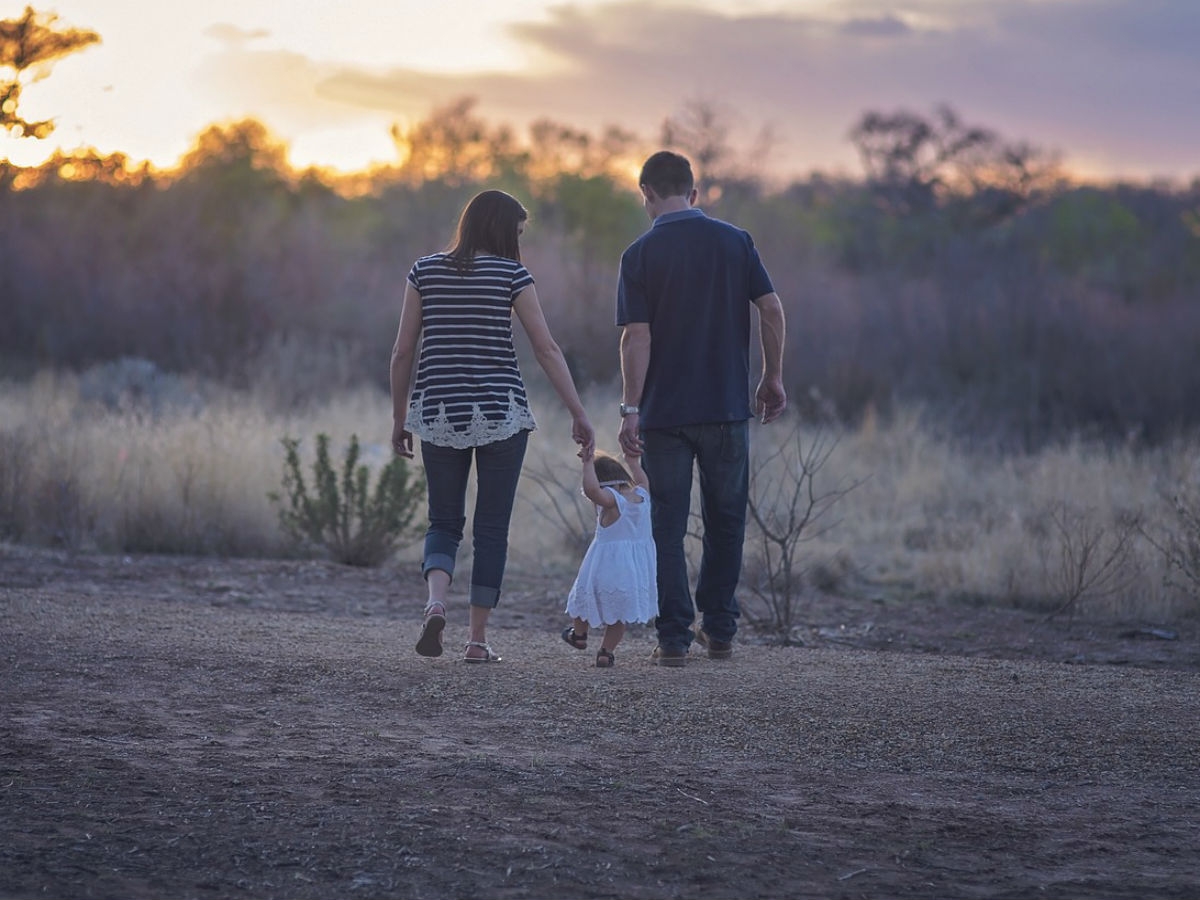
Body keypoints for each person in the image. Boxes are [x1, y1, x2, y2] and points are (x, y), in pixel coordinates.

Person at [390, 189, 595, 663]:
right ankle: (477, 640)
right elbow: (546, 349)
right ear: (502, 230)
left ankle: (435, 602)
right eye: (518, 233)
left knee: (443, 521)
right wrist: (578, 412)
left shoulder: (424, 271)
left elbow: (402, 352)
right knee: (492, 529)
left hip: (439, 411)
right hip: (502, 413)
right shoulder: (511, 275)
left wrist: (400, 418)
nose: (519, 242)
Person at [616, 150, 787, 668]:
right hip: (727, 408)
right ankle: (720, 630)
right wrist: (772, 376)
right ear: (694, 193)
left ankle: (672, 638)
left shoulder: (639, 254)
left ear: (645, 194)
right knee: (726, 519)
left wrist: (630, 408)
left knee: (666, 525)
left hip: (665, 415)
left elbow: (635, 338)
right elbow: (772, 308)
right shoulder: (736, 242)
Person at [561, 448, 658, 668]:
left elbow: (592, 490)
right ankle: (606, 652)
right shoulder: (642, 495)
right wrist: (633, 462)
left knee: (582, 600)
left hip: (604, 566)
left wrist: (587, 464)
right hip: (633, 571)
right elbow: (642, 480)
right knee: (619, 615)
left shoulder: (612, 501)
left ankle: (579, 635)